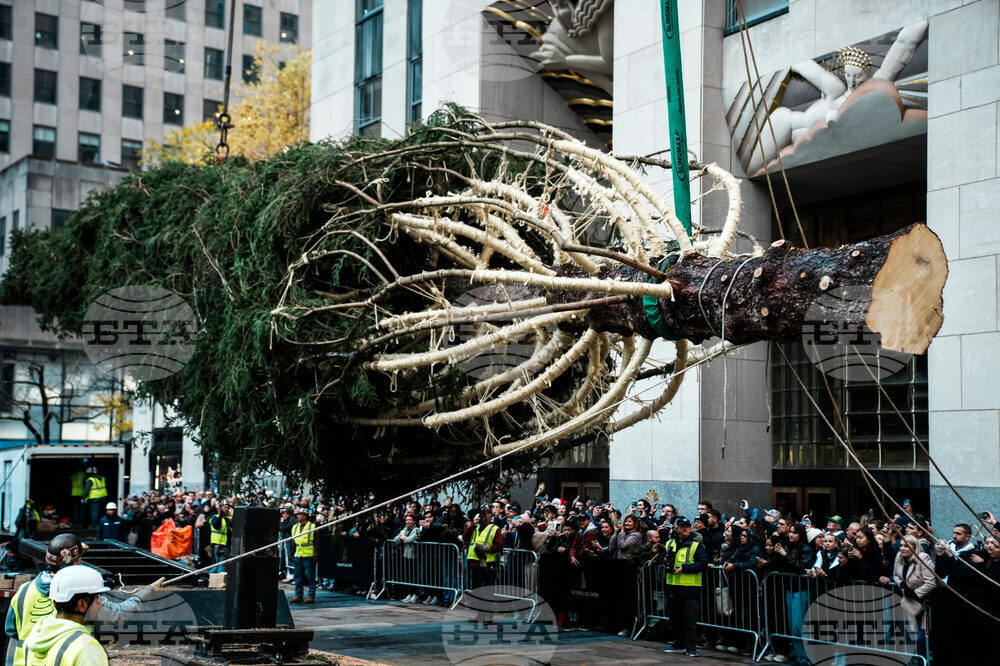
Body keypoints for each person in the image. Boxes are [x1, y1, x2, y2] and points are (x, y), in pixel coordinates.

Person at [5, 534, 160, 665]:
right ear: (76, 561)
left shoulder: (24, 591)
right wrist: (145, 593)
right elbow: (118, 614)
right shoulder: (81, 595)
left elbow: (11, 630)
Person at [23, 565, 110, 666]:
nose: (100, 604)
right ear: (82, 605)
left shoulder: (34, 639)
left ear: (54, 603)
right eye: (97, 599)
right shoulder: (87, 648)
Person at [661, 517, 707, 658]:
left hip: (690, 588)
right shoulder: (669, 544)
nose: (685, 529)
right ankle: (678, 643)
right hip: (672, 586)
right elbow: (663, 559)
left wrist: (685, 568)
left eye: (687, 526)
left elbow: (703, 563)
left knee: (689, 619)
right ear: (677, 528)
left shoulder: (696, 546)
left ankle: (691, 647)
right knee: (674, 618)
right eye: (682, 526)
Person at [893, 534, 936, 661]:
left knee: (922, 635)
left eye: (906, 546)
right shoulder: (899, 556)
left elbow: (931, 582)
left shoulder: (923, 557)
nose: (902, 548)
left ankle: (923, 659)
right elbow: (895, 575)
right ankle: (917, 659)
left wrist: (916, 593)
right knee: (911, 633)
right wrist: (901, 584)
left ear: (914, 547)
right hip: (908, 601)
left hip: (924, 601)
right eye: (901, 545)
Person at [290, 507, 318, 604]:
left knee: (310, 576)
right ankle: (298, 595)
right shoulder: (295, 527)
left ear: (305, 516)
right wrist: (292, 553)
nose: (297, 516)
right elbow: (294, 541)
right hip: (298, 554)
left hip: (309, 554)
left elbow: (316, 541)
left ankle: (311, 595)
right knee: (298, 576)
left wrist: (316, 554)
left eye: (299, 514)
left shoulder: (312, 526)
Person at [208, 502, 233, 574]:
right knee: (222, 566)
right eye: (224, 507)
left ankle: (206, 577)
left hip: (227, 545)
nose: (226, 509)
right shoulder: (214, 517)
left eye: (228, 508)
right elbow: (216, 525)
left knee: (218, 565)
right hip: (219, 545)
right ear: (220, 508)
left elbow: (234, 527)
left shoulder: (229, 518)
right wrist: (220, 516)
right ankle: (218, 582)